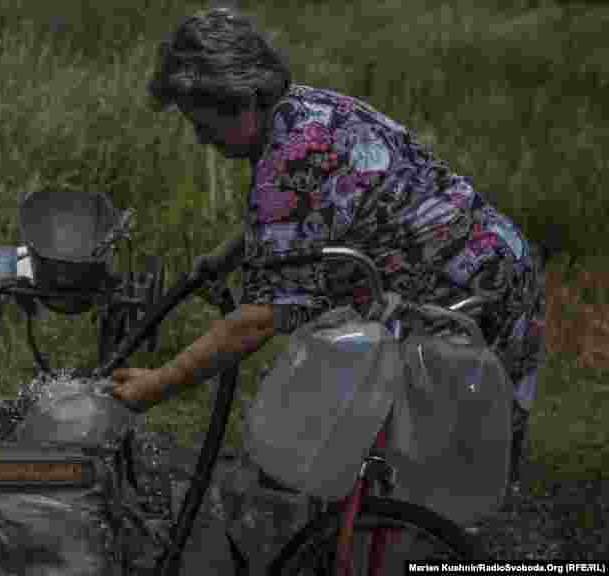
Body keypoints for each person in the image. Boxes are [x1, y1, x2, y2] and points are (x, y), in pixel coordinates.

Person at [107, 6, 545, 490]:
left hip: (467, 286)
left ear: (243, 99)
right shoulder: (303, 111)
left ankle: (404, 547)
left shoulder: (291, 160)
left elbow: (256, 321)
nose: (200, 137)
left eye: (203, 123)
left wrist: (157, 384)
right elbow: (300, 224)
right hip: (496, 257)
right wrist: (227, 259)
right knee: (395, 448)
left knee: (436, 462)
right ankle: (370, 531)